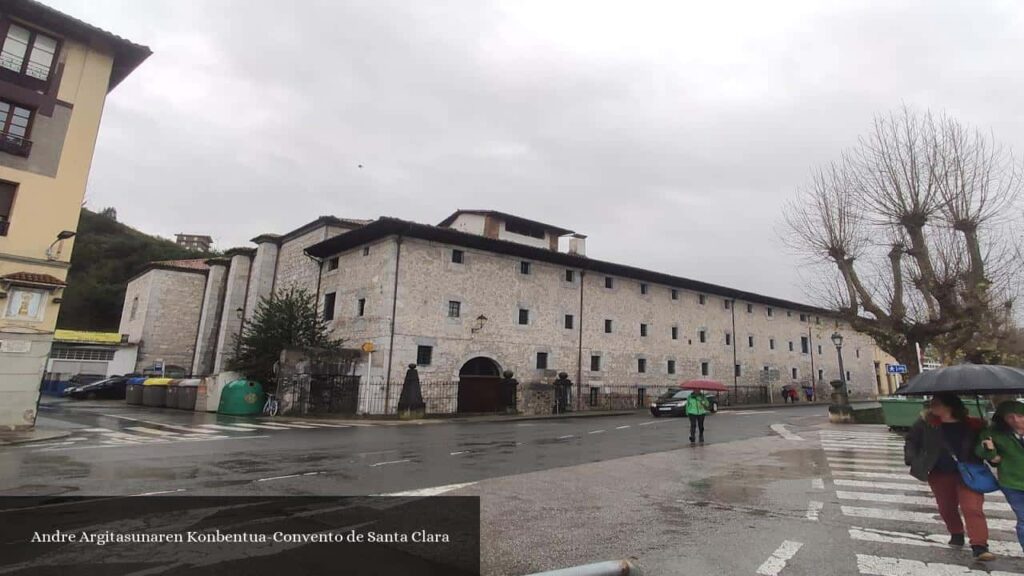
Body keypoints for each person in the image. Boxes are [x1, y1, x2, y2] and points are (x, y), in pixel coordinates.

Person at [904, 394, 994, 561]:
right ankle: (956, 532)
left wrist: (988, 442)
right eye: (931, 404)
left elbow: (986, 445)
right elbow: (911, 441)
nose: (932, 407)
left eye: (937, 404)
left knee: (972, 508)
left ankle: (979, 546)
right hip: (940, 471)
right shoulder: (926, 424)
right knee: (946, 507)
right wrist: (912, 458)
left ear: (950, 406)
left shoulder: (973, 425)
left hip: (969, 472)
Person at [976, 401, 1024, 552]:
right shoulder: (993, 433)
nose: (1015, 420)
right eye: (1010, 417)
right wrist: (991, 453)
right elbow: (980, 451)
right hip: (1013, 483)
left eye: (1020, 416)